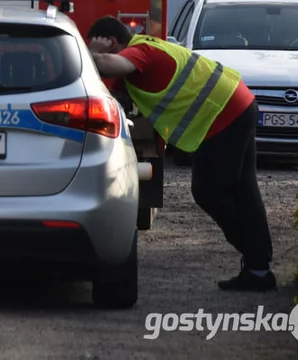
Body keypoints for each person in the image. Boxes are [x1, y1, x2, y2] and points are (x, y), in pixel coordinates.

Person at [86, 16, 276, 292]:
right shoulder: (143, 55)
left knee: (209, 191)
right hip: (237, 104)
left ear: (112, 43)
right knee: (244, 190)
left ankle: (256, 256)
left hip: (222, 114)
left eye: (103, 47)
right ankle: (259, 270)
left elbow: (110, 64)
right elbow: (112, 97)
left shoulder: (141, 51)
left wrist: (91, 53)